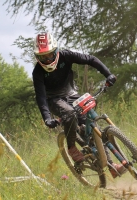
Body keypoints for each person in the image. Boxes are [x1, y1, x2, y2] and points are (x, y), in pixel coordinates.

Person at [32, 32, 126, 178]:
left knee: (92, 125)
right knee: (69, 113)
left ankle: (111, 165)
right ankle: (71, 147)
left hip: (70, 95)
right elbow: (41, 97)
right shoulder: (37, 72)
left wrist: (108, 74)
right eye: (42, 56)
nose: (47, 59)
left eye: (49, 54)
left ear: (56, 50)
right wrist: (47, 118)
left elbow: (90, 59)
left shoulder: (66, 56)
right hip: (53, 100)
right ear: (37, 56)